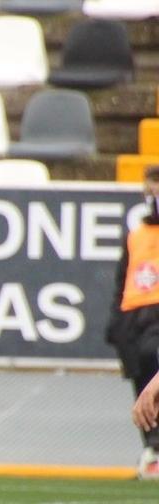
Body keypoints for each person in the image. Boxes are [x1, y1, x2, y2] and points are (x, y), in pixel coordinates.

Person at [106, 164, 159, 479]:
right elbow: (121, 280)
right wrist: (117, 326)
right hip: (135, 318)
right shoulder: (136, 235)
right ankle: (152, 448)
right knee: (142, 383)